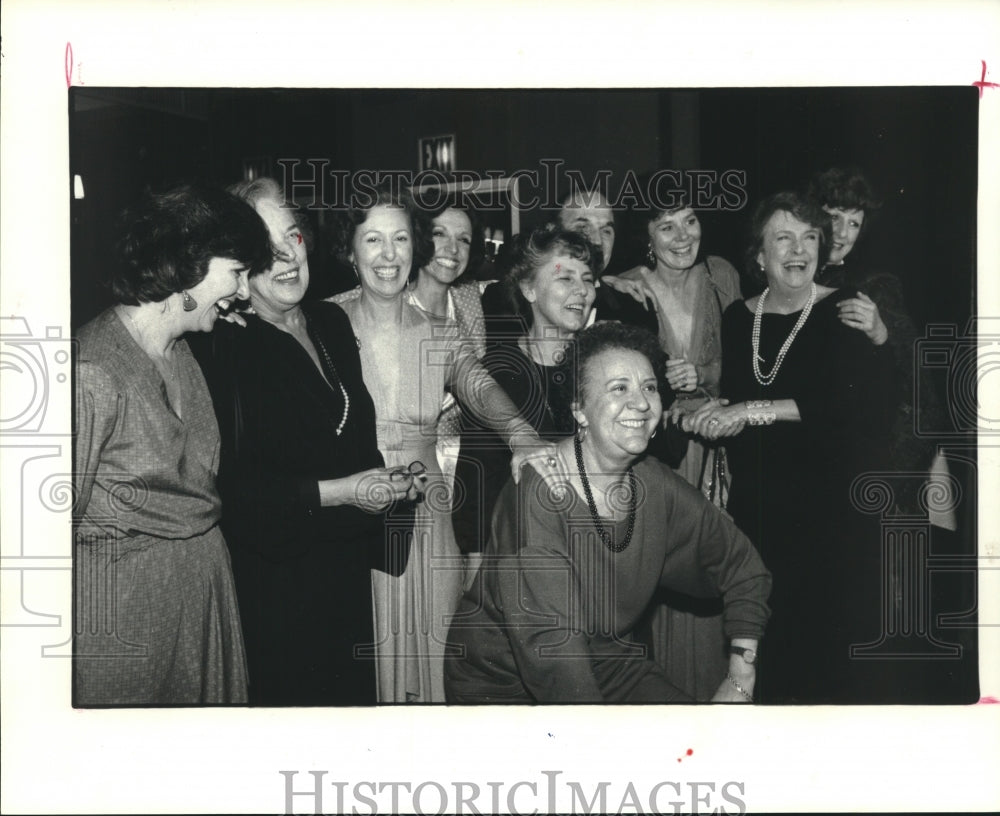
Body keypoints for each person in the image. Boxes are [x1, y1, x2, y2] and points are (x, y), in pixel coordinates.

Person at [444, 322, 772, 703]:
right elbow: (554, 652)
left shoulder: (654, 484)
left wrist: (740, 675)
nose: (641, 403)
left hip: (609, 666)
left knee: (700, 746)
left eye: (649, 387)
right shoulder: (541, 489)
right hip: (505, 684)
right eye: (619, 388)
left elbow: (744, 566)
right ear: (579, 411)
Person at [329, 182, 560, 703]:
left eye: (401, 240)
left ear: (415, 248)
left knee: (436, 642)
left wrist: (521, 435)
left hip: (428, 504)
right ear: (351, 250)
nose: (389, 256)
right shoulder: (326, 322)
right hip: (352, 503)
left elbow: (478, 385)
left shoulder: (439, 332)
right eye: (373, 241)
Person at [190, 177, 416, 706]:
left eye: (292, 236)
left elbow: (354, 434)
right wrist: (340, 492)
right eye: (263, 249)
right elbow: (234, 494)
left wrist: (388, 483)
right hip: (277, 589)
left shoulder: (331, 322)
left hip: (345, 575)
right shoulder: (222, 349)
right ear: (238, 266)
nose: (287, 258)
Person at [685, 191, 894, 703]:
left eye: (809, 238)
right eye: (783, 237)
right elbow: (736, 394)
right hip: (759, 510)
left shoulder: (842, 310)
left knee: (824, 661)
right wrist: (710, 409)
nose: (798, 249)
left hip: (828, 515)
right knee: (765, 649)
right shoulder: (738, 317)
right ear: (759, 255)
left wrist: (746, 412)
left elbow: (840, 407)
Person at [73, 184, 272, 705]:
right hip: (125, 620)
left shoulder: (182, 350)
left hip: (201, 597)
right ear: (192, 261)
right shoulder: (90, 369)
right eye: (237, 272)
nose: (246, 292)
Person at [616, 198, 743, 700]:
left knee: (715, 566)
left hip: (717, 451)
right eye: (665, 225)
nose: (681, 235)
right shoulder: (625, 285)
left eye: (690, 221)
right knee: (663, 568)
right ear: (647, 234)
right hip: (659, 455)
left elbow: (752, 363)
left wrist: (706, 377)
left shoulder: (723, 277)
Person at [451, 226, 597, 560]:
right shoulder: (498, 373)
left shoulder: (602, 367)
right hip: (518, 558)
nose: (582, 291)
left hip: (594, 553)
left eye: (587, 279)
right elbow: (477, 493)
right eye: (565, 279)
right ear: (529, 288)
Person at [808, 166, 943, 516]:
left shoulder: (874, 284)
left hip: (861, 464)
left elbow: (921, 387)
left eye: (854, 223)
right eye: (834, 217)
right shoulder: (788, 276)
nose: (841, 233)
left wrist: (884, 333)